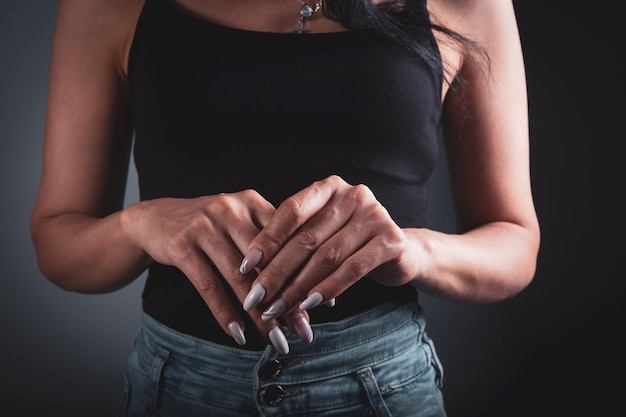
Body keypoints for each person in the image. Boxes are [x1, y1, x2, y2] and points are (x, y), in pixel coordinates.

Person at [30, 0, 540, 415]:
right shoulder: (109, 6)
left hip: (381, 386)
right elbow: (58, 241)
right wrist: (140, 223)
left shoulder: (469, 5)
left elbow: (515, 240)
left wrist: (412, 251)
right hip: (180, 387)